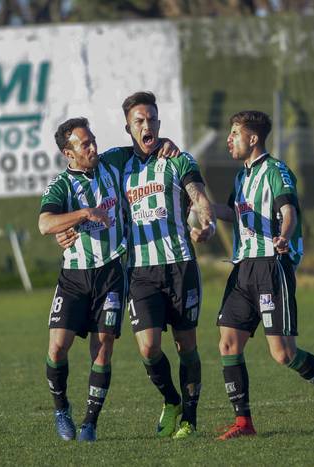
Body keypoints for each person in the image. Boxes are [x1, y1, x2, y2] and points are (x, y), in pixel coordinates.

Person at [56, 91, 214, 439]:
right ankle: (172, 400)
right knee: (148, 348)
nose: (148, 125)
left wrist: (206, 222)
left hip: (180, 265)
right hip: (140, 270)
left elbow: (198, 196)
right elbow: (77, 177)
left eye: (153, 119)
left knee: (186, 345)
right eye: (139, 121)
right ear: (128, 127)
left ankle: (189, 417)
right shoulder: (115, 162)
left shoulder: (178, 158)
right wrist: (64, 229)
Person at [212, 110, 314, 440]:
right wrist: (198, 207)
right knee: (227, 343)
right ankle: (243, 423)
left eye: (235, 133)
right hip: (243, 268)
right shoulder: (242, 177)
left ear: (253, 138)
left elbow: (288, 210)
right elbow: (231, 214)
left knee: (283, 353)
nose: (229, 139)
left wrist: (285, 236)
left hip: (270, 265)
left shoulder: (276, 171)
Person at [39, 118, 129, 442]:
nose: (93, 147)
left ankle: (90, 424)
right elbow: (45, 223)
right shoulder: (61, 186)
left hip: (111, 273)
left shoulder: (113, 164)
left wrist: (166, 146)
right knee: (57, 347)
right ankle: (61, 408)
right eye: (84, 144)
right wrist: (83, 214)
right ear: (69, 153)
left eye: (92, 140)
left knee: (102, 349)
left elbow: (145, 150)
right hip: (74, 278)